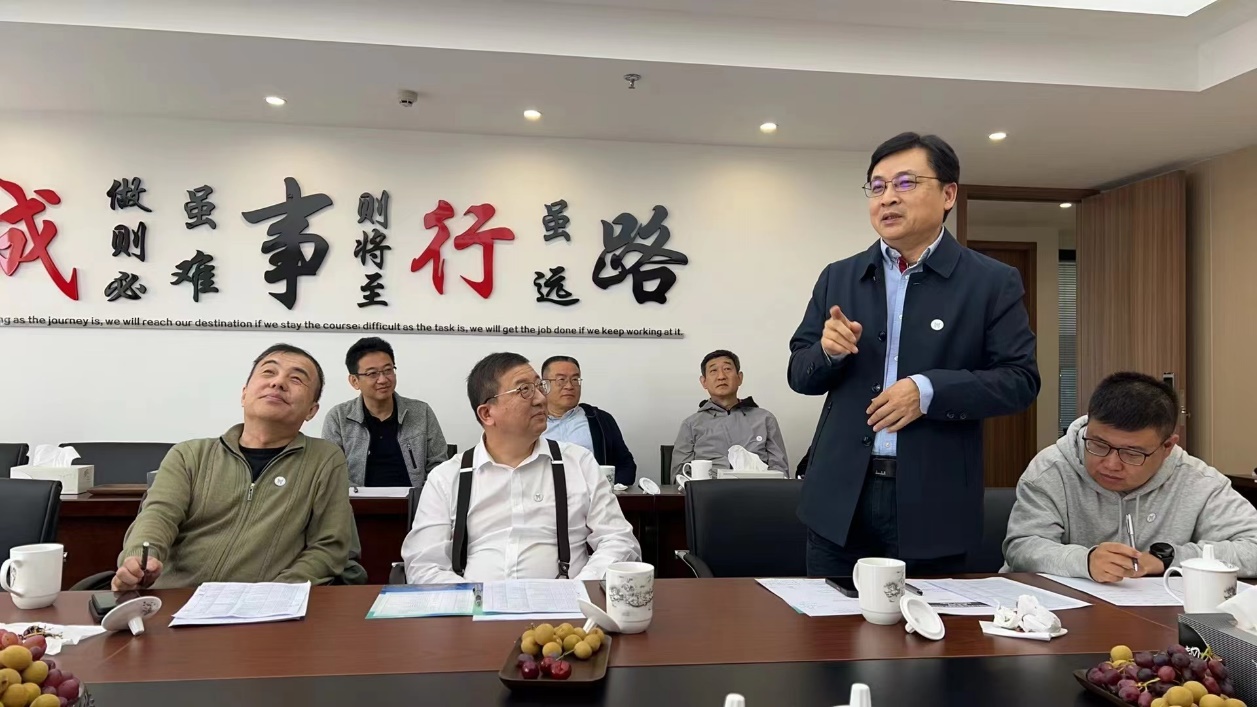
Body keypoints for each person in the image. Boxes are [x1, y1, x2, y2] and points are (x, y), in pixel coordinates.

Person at [788, 132, 1040, 577]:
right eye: (877, 186)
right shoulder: (839, 276)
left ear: (948, 194)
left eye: (905, 183)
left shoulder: (990, 282)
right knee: (830, 621)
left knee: (926, 621)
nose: (888, 198)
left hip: (934, 501)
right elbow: (799, 374)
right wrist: (827, 353)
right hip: (839, 500)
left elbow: (1020, 380)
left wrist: (928, 391)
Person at [111, 344, 360, 590]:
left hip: (267, 605)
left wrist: (274, 593)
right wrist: (139, 559)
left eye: (296, 379)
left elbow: (328, 546)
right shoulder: (189, 455)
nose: (278, 383)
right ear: (244, 394)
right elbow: (159, 515)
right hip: (176, 597)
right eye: (269, 372)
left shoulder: (324, 460)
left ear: (311, 410)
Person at [401, 352, 640, 583]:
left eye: (539, 386)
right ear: (487, 413)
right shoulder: (447, 477)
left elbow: (619, 541)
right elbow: (424, 565)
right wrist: (471, 600)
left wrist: (579, 589)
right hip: (475, 605)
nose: (541, 399)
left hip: (567, 605)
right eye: (524, 390)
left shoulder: (578, 463)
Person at [1003, 372, 1257, 581]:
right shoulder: (1051, 469)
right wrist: (1084, 561)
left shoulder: (1198, 481)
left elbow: (1253, 547)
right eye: (1098, 445)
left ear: (1167, 447)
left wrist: (1166, 559)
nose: (1111, 464)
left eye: (1132, 453)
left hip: (1159, 615)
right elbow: (1022, 547)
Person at [322, 337, 448, 488]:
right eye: (372, 373)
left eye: (388, 370)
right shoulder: (338, 417)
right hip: (357, 501)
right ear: (354, 381)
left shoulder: (421, 412)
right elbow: (333, 473)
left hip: (415, 501)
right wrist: (359, 497)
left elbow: (439, 466)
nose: (383, 379)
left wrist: (424, 496)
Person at [672, 349, 788, 480]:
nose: (721, 376)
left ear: (740, 378)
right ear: (704, 381)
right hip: (709, 490)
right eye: (713, 370)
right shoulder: (691, 424)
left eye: (727, 369)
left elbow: (780, 471)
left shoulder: (765, 419)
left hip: (757, 489)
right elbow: (679, 476)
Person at [541, 355, 637, 485]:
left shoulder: (600, 420)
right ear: (544, 386)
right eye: (561, 380)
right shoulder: (528, 422)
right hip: (542, 494)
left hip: (592, 494)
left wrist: (610, 490)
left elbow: (626, 465)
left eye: (575, 379)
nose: (569, 386)